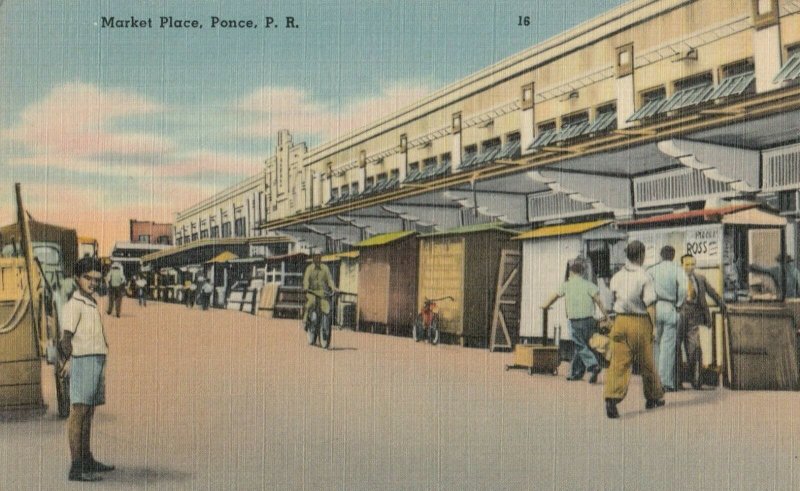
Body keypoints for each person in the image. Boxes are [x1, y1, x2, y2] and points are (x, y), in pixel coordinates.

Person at [59, 256, 115, 482]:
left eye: (96, 278)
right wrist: (68, 363)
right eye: (87, 278)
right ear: (76, 278)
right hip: (83, 361)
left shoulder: (90, 302)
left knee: (88, 412)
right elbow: (65, 340)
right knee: (79, 412)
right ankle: (76, 467)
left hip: (95, 361)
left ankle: (87, 458)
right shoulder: (74, 305)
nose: (92, 282)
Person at [604, 240, 665, 419]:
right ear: (641, 255)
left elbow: (611, 301)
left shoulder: (617, 277)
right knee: (647, 363)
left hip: (620, 321)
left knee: (618, 363)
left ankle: (611, 398)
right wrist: (654, 328)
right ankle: (653, 397)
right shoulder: (644, 276)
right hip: (639, 323)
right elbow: (651, 305)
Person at [542, 258, 609, 384]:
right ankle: (575, 374)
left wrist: (545, 305)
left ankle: (593, 365)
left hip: (575, 321)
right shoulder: (589, 285)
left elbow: (554, 296)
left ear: (571, 273)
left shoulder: (566, 285)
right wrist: (607, 317)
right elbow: (599, 301)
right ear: (583, 273)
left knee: (580, 345)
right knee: (583, 346)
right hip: (590, 321)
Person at [680, 254, 724, 390]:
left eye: (693, 264)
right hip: (679, 315)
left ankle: (696, 379)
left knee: (694, 348)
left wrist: (722, 304)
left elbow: (712, 293)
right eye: (687, 264)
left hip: (694, 315)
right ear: (681, 265)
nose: (690, 267)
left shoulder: (700, 279)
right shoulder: (676, 278)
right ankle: (677, 381)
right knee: (676, 348)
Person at [647, 245, 687, 392]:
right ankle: (666, 382)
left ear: (661, 255)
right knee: (668, 347)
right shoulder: (677, 269)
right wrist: (679, 303)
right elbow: (683, 288)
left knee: (655, 344)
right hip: (670, 307)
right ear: (673, 256)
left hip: (655, 307)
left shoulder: (652, 270)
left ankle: (654, 379)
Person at [302, 252, 337, 326]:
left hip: (322, 293)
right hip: (311, 292)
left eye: (319, 257)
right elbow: (306, 280)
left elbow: (329, 279)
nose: (318, 259)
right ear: (313, 258)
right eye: (316, 257)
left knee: (326, 306)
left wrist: (333, 287)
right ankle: (306, 318)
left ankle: (325, 325)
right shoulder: (309, 268)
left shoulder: (325, 268)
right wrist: (306, 287)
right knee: (311, 303)